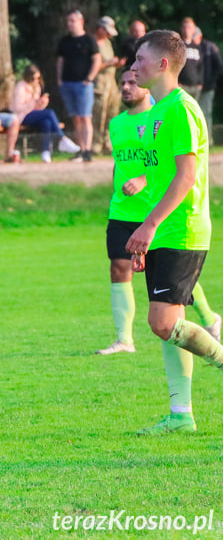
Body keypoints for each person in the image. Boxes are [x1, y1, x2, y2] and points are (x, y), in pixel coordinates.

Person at [126, 29, 223, 435]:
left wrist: (149, 226)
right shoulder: (155, 112)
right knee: (171, 324)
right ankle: (181, 415)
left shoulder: (181, 109)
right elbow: (164, 175)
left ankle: (219, 357)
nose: (132, 67)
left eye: (139, 60)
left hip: (180, 229)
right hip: (165, 230)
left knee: (163, 322)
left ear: (163, 64)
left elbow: (186, 177)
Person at [98, 70, 221, 356]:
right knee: (119, 268)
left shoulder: (166, 114)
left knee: (171, 287)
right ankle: (124, 339)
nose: (127, 87)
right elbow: (121, 165)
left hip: (156, 214)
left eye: (131, 81)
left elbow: (169, 170)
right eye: (123, 83)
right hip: (121, 211)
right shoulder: (116, 124)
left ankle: (209, 318)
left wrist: (142, 181)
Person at [10, 64, 80, 163]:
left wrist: (42, 103)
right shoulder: (21, 87)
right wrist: (34, 102)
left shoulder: (37, 87)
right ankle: (62, 139)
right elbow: (18, 108)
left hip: (33, 113)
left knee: (46, 122)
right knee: (50, 113)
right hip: (21, 116)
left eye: (38, 78)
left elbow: (37, 108)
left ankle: (45, 152)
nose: (36, 80)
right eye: (34, 78)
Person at [56, 10, 101, 162]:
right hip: (67, 83)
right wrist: (59, 79)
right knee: (75, 117)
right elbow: (60, 61)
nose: (70, 24)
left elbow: (97, 60)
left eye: (72, 21)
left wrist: (89, 78)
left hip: (83, 85)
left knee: (85, 116)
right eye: (68, 21)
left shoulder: (89, 40)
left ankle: (88, 150)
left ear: (81, 22)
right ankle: (81, 149)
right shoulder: (64, 41)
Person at [91, 16, 125, 156]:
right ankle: (96, 145)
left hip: (111, 81)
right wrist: (109, 62)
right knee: (99, 113)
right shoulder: (93, 43)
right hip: (99, 82)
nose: (110, 35)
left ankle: (108, 143)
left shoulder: (108, 43)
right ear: (100, 29)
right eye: (108, 31)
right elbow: (93, 66)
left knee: (112, 113)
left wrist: (117, 64)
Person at [195, 28, 223, 139]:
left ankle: (207, 140)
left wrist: (211, 81)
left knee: (206, 113)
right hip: (195, 86)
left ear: (199, 36)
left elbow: (218, 66)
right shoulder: (192, 47)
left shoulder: (209, 47)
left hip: (207, 87)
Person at [178, 18, 203, 100]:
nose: (187, 30)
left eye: (189, 27)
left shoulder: (197, 48)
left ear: (193, 30)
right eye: (185, 27)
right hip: (182, 86)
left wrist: (200, 83)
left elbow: (201, 66)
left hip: (196, 86)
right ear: (181, 29)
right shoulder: (178, 46)